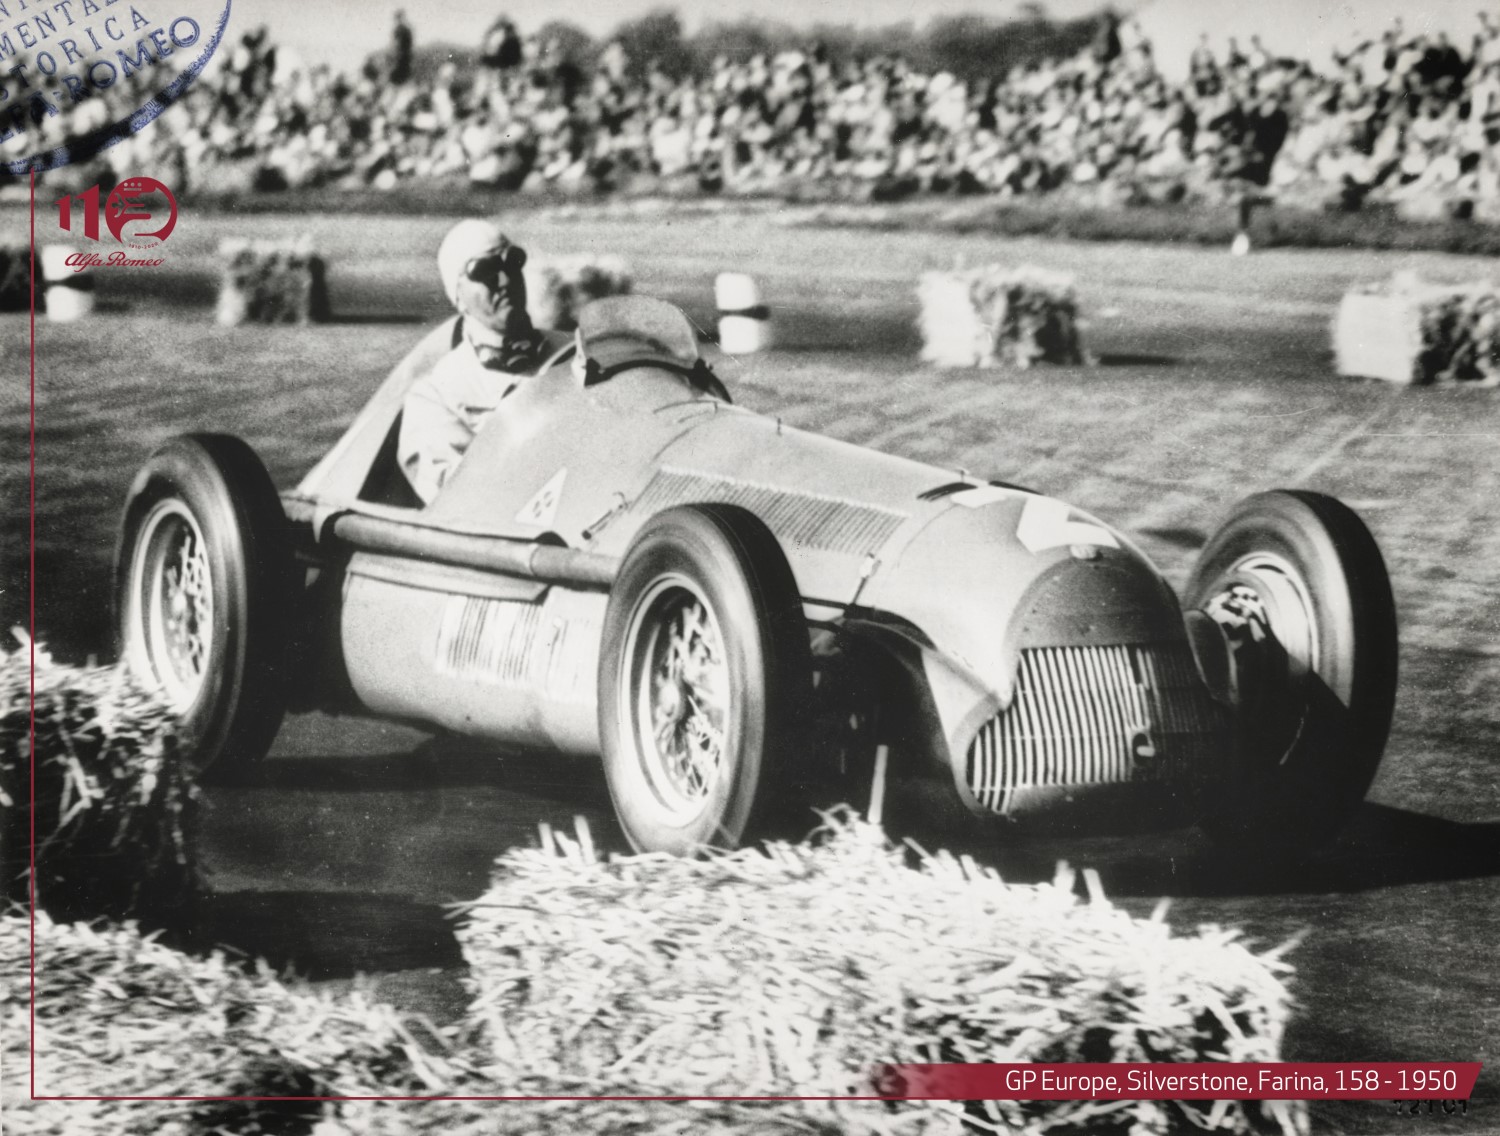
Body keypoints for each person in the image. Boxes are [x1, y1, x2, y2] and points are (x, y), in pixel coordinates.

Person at [398, 219, 552, 504]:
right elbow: (460, 502)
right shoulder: (435, 397)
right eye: (485, 271)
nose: (505, 280)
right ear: (458, 296)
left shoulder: (578, 348)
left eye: (511, 262)